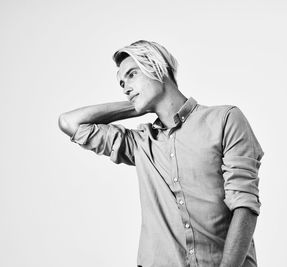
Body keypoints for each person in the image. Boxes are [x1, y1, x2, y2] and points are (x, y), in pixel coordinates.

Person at [58, 40, 264, 267]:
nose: (125, 87)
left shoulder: (225, 120)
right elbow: (69, 122)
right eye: (121, 83)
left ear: (157, 68)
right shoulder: (140, 143)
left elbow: (244, 205)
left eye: (132, 74)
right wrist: (137, 104)